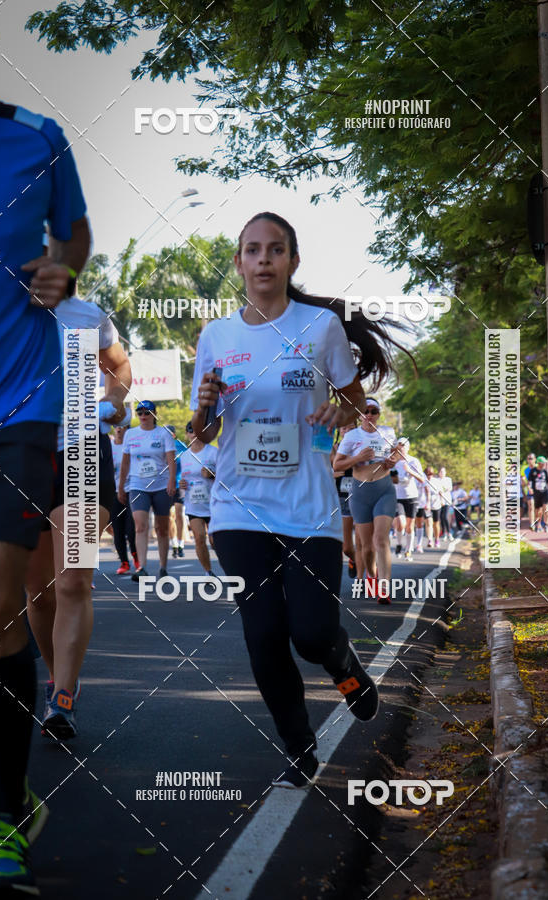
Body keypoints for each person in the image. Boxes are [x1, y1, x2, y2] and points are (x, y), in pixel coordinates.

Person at [190, 212, 407, 788]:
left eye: (276, 250)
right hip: (239, 510)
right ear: (238, 262)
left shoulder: (319, 328)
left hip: (309, 507)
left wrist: (339, 412)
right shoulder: (216, 336)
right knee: (262, 635)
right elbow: (200, 433)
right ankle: (298, 746)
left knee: (311, 633)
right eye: (253, 250)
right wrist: (205, 408)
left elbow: (354, 400)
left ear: (292, 261)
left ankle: (342, 664)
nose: (264, 260)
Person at [0, 97, 89, 893]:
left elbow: (75, 233)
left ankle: (0, 813)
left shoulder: (36, 137)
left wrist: (67, 268)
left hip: (26, 406)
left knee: (13, 599)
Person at [24, 294, 131, 740]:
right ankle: (57, 678)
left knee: (73, 580)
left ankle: (62, 698)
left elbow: (119, 366)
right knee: (38, 591)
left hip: (82, 450)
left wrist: (115, 398)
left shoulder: (87, 315)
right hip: (20, 452)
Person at [334, 400, 398, 602]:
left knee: (381, 540)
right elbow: (338, 464)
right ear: (360, 415)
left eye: (374, 411)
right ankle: (372, 575)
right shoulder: (352, 436)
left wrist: (392, 461)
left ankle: (384, 588)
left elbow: (395, 455)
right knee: (367, 547)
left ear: (379, 414)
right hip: (360, 493)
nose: (369, 415)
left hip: (384, 490)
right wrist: (357, 458)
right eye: (366, 411)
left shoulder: (387, 432)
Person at [118, 402, 176, 580]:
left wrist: (172, 481)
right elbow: (125, 462)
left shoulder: (163, 434)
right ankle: (141, 567)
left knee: (162, 528)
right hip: (137, 486)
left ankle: (163, 567)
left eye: (147, 412)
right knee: (140, 525)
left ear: (154, 414)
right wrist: (121, 486)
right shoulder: (130, 434)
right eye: (140, 412)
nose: (144, 416)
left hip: (160, 485)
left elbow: (171, 460)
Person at [179, 422, 217, 576]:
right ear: (187, 434)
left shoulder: (213, 452)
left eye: (197, 431)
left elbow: (226, 478)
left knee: (216, 542)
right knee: (199, 538)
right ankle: (208, 572)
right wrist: (182, 484)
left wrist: (212, 474)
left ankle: (230, 569)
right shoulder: (184, 456)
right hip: (193, 504)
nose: (194, 435)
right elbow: (184, 479)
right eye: (190, 432)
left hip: (214, 504)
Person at [332, 423, 360, 578]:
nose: (347, 431)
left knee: (366, 542)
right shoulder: (334, 448)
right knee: (347, 547)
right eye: (344, 428)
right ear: (339, 431)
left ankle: (369, 575)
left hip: (363, 495)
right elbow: (325, 470)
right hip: (343, 497)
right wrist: (332, 473)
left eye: (351, 428)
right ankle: (356, 560)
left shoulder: (362, 447)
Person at [111, 423, 139, 574]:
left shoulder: (133, 446)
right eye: (117, 426)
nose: (119, 429)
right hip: (114, 493)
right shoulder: (109, 446)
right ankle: (124, 562)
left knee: (131, 528)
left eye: (123, 427)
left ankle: (136, 558)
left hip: (132, 490)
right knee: (118, 529)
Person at [393, 437, 425, 561]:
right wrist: (395, 479)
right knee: (401, 523)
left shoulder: (414, 461)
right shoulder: (393, 461)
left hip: (411, 496)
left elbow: (422, 480)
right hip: (397, 496)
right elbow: (388, 478)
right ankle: (399, 544)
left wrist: (410, 471)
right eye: (399, 445)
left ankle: (408, 550)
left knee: (410, 526)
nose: (401, 447)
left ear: (408, 447)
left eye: (404, 445)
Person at [166, 424, 188, 559]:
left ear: (173, 435)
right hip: (166, 485)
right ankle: (174, 544)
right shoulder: (160, 447)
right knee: (169, 516)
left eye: (169, 433)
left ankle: (181, 545)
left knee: (179, 514)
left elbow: (189, 463)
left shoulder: (180, 446)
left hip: (179, 484)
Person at [529, 456, 548, 532]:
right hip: (536, 493)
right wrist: (530, 489)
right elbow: (530, 482)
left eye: (544, 463)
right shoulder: (533, 471)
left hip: (544, 492)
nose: (544, 464)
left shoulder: (545, 471)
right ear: (538, 463)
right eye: (542, 463)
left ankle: (546, 524)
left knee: (546, 507)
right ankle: (538, 524)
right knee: (538, 510)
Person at [424, 467, 443, 548]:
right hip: (427, 506)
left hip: (436, 505)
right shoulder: (423, 481)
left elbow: (441, 491)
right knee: (428, 522)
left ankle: (437, 539)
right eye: (428, 474)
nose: (429, 476)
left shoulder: (436, 481)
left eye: (431, 474)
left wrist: (442, 500)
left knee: (436, 523)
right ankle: (430, 540)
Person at [521, 453, 537, 529]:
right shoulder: (525, 470)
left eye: (531, 458)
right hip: (529, 492)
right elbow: (523, 484)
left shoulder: (539, 468)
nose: (529, 460)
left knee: (538, 509)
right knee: (531, 506)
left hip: (539, 492)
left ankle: (540, 522)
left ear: (535, 459)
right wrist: (524, 481)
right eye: (528, 459)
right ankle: (532, 524)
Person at [438, 466, 453, 540]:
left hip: (446, 501)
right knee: (441, 518)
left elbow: (449, 488)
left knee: (445, 517)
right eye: (441, 472)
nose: (442, 473)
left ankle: (449, 533)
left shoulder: (448, 479)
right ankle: (443, 533)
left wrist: (442, 490)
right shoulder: (436, 480)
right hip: (439, 502)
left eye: (443, 471)